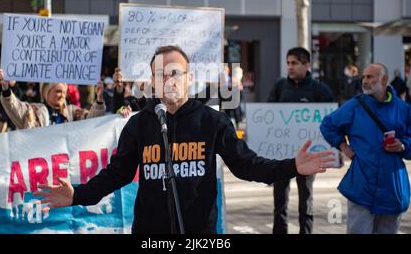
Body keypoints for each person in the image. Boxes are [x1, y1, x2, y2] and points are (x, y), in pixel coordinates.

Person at [34, 45, 335, 234]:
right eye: (161, 74)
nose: (169, 80)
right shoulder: (139, 125)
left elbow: (247, 165)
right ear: (151, 82)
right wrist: (78, 195)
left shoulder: (212, 121)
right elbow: (117, 175)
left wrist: (292, 166)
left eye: (175, 73)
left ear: (190, 78)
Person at [320, 63, 411, 234]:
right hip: (362, 183)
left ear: (384, 80)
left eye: (370, 77)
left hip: (392, 186)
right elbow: (327, 125)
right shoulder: (355, 105)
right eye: (364, 77)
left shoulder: (403, 109)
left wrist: (403, 145)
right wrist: (343, 147)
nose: (365, 81)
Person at [267, 47, 334, 234]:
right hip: (281, 155)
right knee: (279, 201)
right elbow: (268, 117)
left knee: (306, 201)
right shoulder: (279, 87)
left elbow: (331, 122)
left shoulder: (320, 90)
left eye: (295, 63)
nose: (290, 67)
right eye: (288, 63)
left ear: (307, 65)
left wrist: (333, 150)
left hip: (309, 155)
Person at [0, 69, 106, 129]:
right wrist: (5, 88)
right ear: (46, 93)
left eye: (64, 92)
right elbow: (14, 107)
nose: (62, 95)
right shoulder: (33, 111)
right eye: (58, 91)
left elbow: (93, 122)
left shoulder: (73, 112)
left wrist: (99, 99)